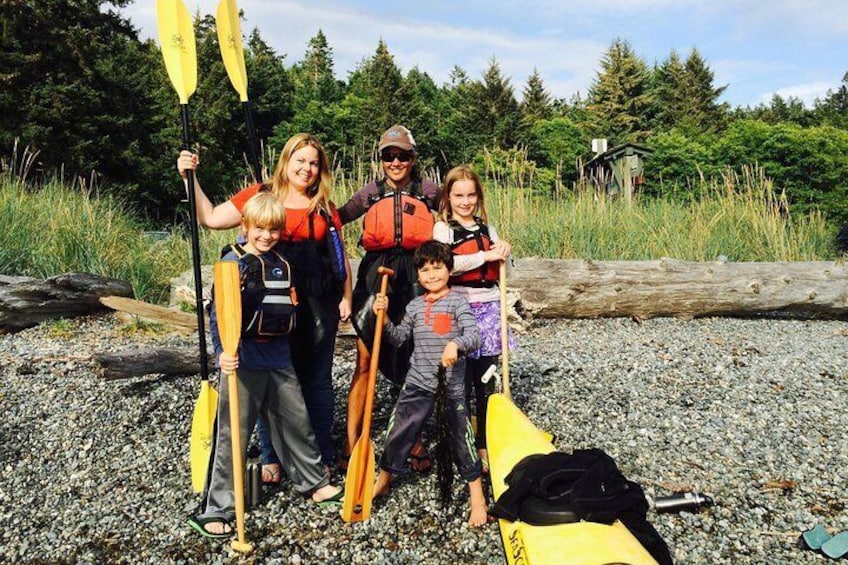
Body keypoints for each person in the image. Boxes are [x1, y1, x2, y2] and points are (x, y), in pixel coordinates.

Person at [177, 133, 352, 476]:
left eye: (314, 163)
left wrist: (346, 297)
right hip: (267, 303)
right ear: (286, 161)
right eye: (300, 160)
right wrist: (190, 179)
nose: (307, 169)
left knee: (316, 380)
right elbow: (210, 218)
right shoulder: (260, 195)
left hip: (316, 303)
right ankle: (271, 456)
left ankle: (321, 456)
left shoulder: (324, 207)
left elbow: (340, 256)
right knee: (267, 379)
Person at [189, 192, 343, 539]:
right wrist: (221, 353)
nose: (266, 236)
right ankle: (217, 507)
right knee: (234, 433)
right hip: (242, 359)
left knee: (296, 422)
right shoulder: (233, 263)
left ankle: (313, 482)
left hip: (279, 357)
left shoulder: (281, 263)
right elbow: (219, 317)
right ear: (245, 226)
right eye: (259, 228)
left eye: (273, 230)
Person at [338, 125, 440, 473]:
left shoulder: (428, 191)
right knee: (365, 361)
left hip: (414, 276)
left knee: (412, 360)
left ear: (413, 158)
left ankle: (412, 438)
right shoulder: (369, 193)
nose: (395, 162)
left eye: (402, 155)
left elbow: (461, 211)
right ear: (380, 159)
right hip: (374, 276)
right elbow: (334, 219)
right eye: (388, 156)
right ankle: (352, 443)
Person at [371, 240, 487, 527]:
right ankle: (383, 480)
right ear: (418, 275)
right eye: (425, 270)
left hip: (451, 387)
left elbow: (475, 337)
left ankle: (477, 498)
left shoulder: (458, 302)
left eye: (438, 268)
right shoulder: (414, 305)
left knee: (461, 440)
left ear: (449, 270)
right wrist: (382, 317)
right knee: (399, 431)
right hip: (418, 382)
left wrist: (456, 345)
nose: (432, 275)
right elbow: (398, 338)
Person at [433, 164, 514, 473]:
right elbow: (445, 265)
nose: (465, 202)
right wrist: (485, 256)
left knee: (487, 379)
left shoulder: (487, 229)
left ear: (478, 197)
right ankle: (461, 440)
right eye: (458, 196)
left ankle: (485, 442)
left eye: (470, 195)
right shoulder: (443, 229)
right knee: (460, 382)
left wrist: (504, 250)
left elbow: (503, 268)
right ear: (448, 197)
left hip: (490, 307)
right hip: (460, 310)